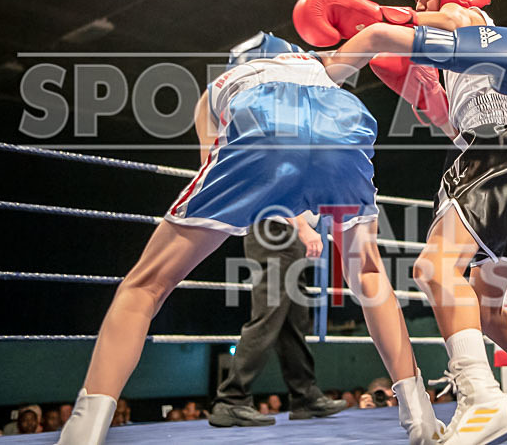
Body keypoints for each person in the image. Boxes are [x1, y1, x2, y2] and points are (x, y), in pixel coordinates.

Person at [57, 32, 442, 445]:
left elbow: (215, 162)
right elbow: (376, 36)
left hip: (257, 125)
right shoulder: (318, 65)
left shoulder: (213, 92)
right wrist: (442, 34)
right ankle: (420, 414)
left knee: (145, 285)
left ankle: (83, 431)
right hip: (343, 125)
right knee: (367, 273)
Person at [293, 0, 507, 443]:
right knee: (489, 312)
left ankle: (482, 400)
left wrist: (330, 66)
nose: (420, 5)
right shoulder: (465, 54)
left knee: (434, 269)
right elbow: (445, 119)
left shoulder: (464, 16)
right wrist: (414, 77)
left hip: (494, 153)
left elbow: (387, 32)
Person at [209, 217, 346, 427]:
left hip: (287, 233)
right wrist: (303, 228)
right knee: (268, 317)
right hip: (277, 230)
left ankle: (304, 396)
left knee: (293, 320)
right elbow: (281, 188)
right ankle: (231, 398)